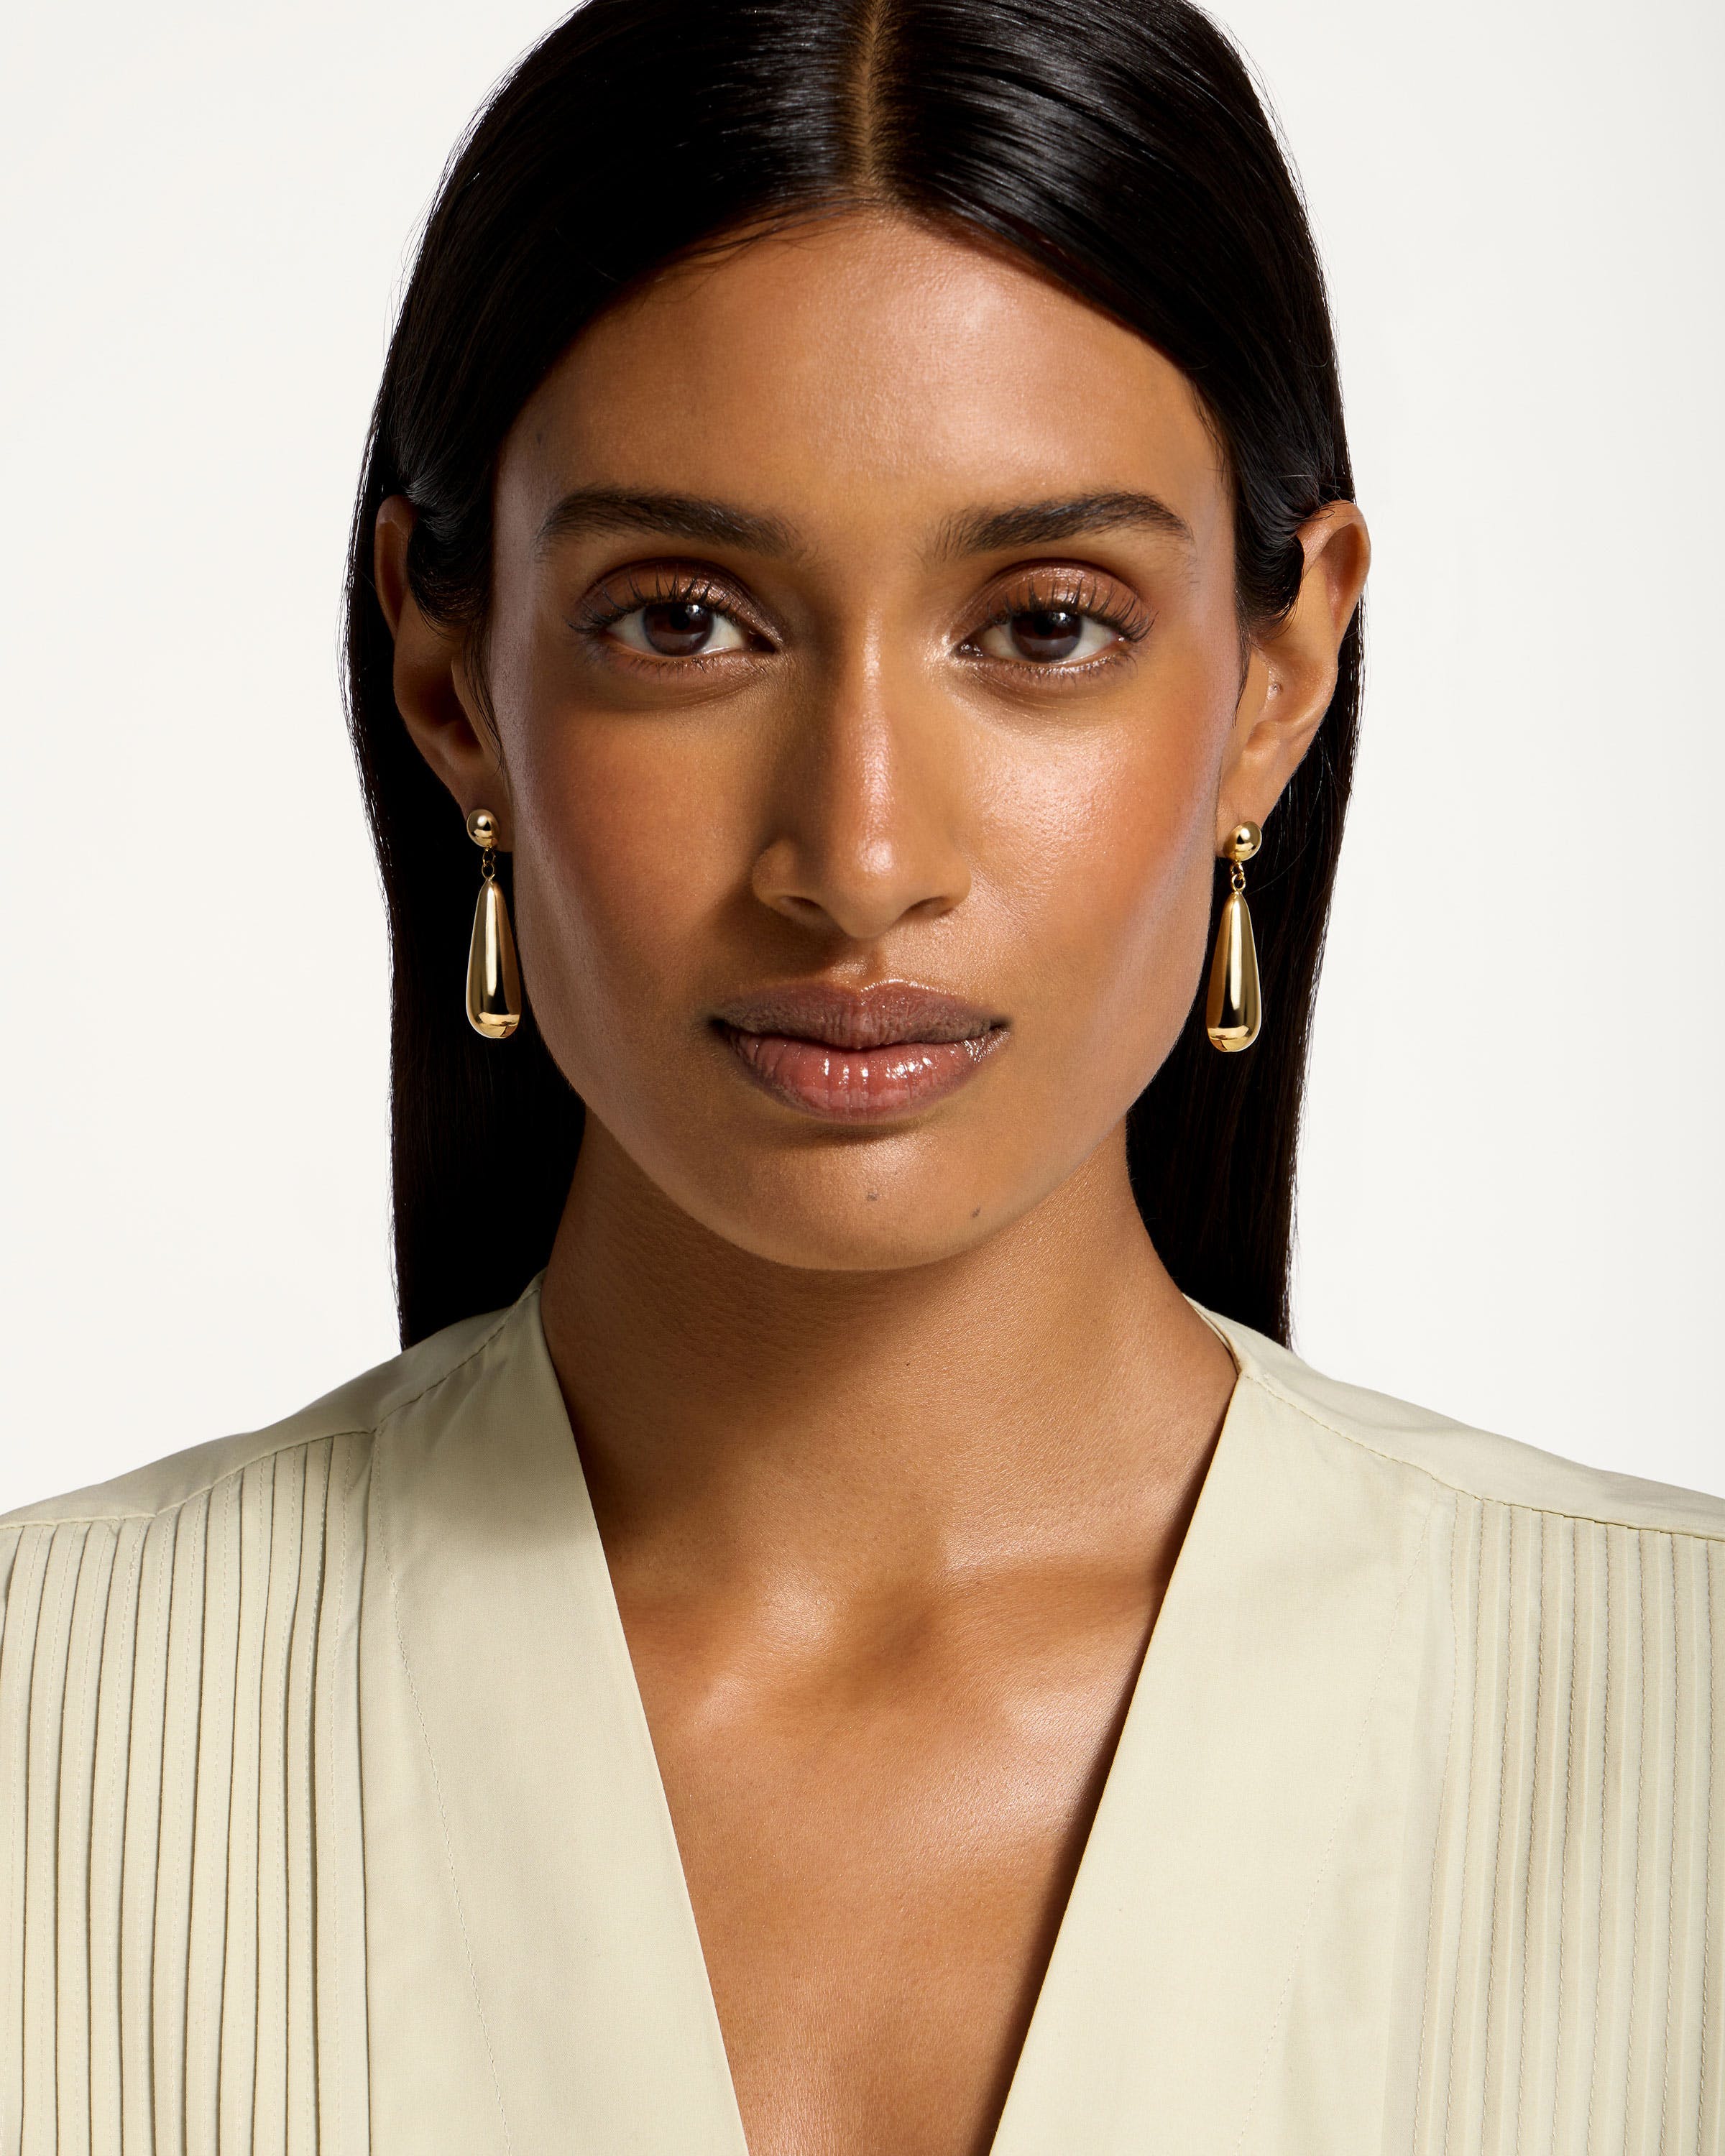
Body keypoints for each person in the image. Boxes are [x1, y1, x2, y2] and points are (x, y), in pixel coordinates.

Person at [4, 2, 1721, 2150]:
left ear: (1280, 679)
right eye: (689, 619)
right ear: (450, 683)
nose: (864, 861)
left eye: (1044, 622)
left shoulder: (1690, 1739)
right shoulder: (35, 1739)